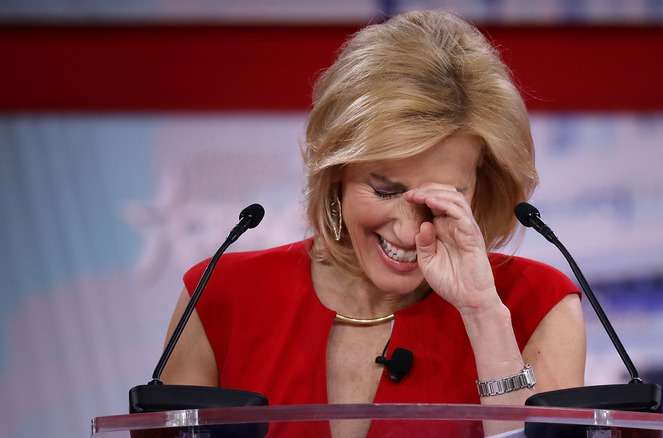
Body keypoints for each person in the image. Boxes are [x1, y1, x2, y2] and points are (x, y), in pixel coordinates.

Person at [161, 9, 586, 438]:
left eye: (445, 200)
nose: (407, 232)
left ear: (484, 185)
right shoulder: (218, 297)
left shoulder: (539, 305)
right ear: (337, 170)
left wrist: (483, 316)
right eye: (384, 189)